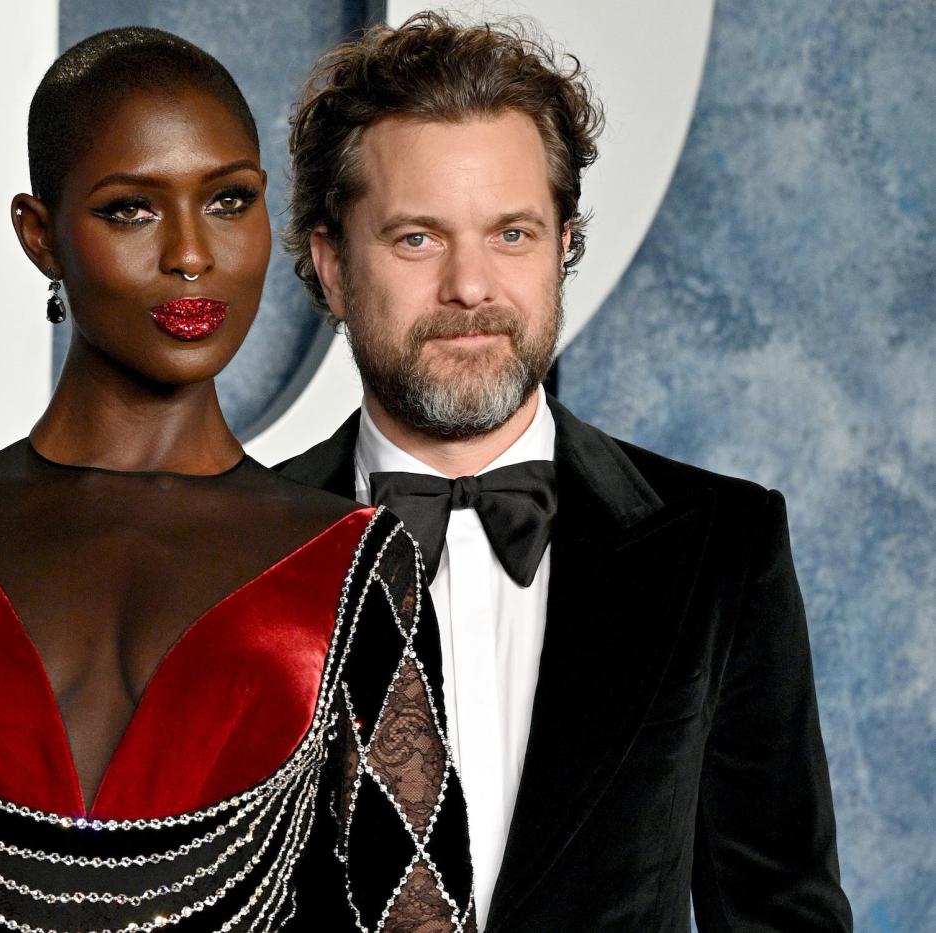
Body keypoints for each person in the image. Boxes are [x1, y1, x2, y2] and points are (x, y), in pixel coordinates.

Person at [0, 27, 474, 933]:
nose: (193, 254)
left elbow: (423, 917)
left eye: (230, 200)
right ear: (39, 235)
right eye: (133, 209)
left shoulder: (352, 561)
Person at [272, 12, 854, 932]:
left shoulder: (719, 547)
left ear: (563, 248)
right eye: (417, 239)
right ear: (333, 267)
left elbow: (783, 911)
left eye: (511, 234)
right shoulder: (234, 547)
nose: (471, 286)